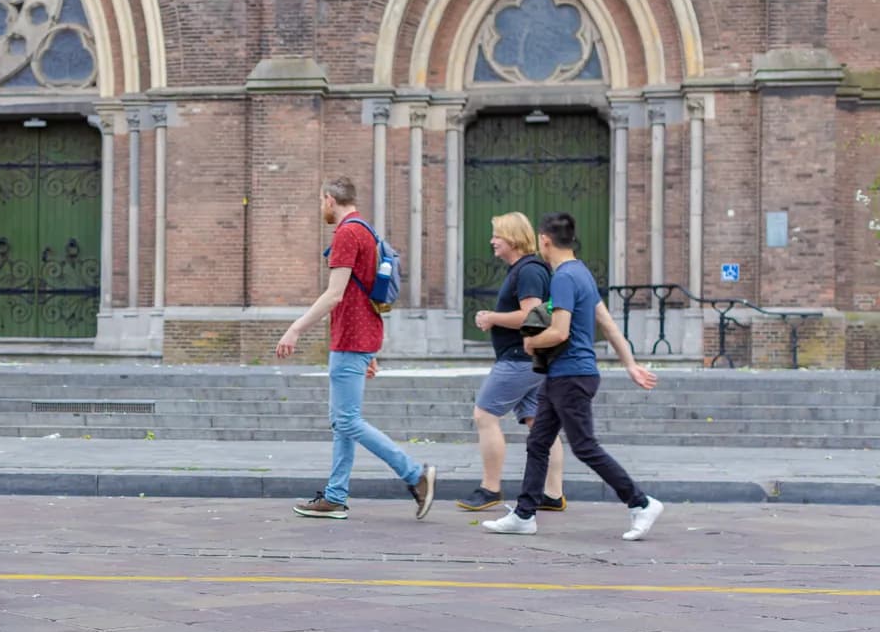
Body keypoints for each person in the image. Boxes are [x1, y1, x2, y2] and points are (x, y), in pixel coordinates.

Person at [483, 211, 665, 540]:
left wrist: (531, 342)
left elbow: (559, 332)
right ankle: (524, 514)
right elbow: (608, 325)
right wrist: (630, 364)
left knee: (584, 446)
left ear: (545, 240)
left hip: (572, 374)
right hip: (564, 375)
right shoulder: (581, 272)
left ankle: (641, 502)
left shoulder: (564, 277)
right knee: (538, 442)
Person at [276, 177, 437, 521]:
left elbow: (335, 294)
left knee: (347, 420)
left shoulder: (347, 233)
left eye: (321, 202)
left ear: (330, 199)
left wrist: (295, 329)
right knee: (342, 421)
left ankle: (415, 475)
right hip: (359, 337)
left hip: (351, 337)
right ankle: (335, 496)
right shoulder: (366, 230)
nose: (321, 208)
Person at [457, 212, 567, 512]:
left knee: (484, 415)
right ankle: (553, 494)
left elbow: (532, 317)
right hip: (531, 360)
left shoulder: (528, 270)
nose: (492, 241)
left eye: (497, 235)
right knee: (538, 424)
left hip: (519, 359)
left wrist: (492, 318)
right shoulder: (529, 268)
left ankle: (490, 488)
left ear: (513, 238)